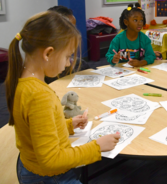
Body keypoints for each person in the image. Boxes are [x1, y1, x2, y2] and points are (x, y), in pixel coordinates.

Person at [6, 11, 120, 183]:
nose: (68, 63)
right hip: (50, 177)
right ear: (48, 54)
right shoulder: (39, 95)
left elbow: (36, 131)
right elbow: (51, 160)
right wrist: (96, 147)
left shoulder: (23, 82)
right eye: (68, 56)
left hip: (31, 168)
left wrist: (67, 125)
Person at [45, 5, 90, 84]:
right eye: (70, 29)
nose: (74, 32)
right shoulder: (47, 72)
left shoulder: (81, 65)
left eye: (74, 27)